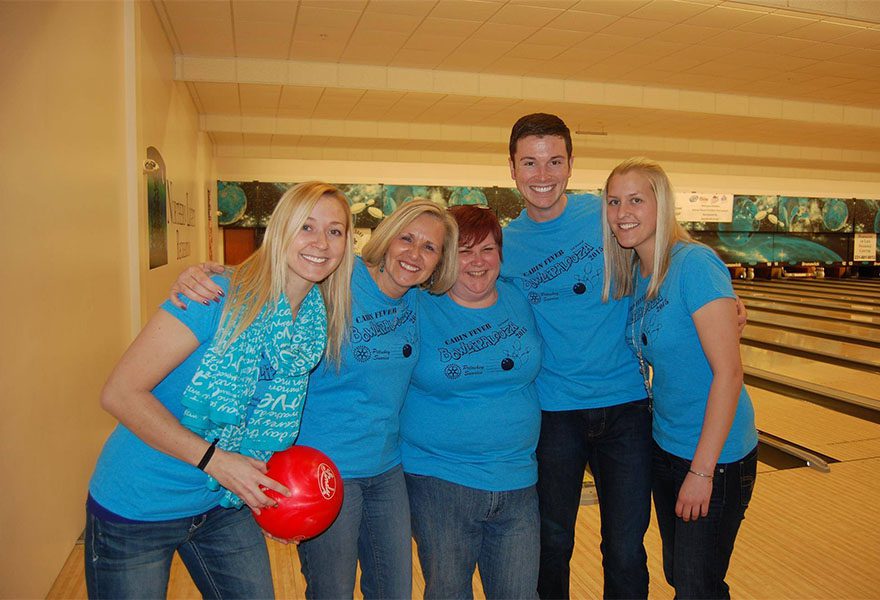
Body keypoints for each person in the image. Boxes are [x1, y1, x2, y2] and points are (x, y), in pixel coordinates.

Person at [170, 199, 459, 599]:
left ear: (440, 260)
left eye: (429, 247)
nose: (414, 254)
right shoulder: (341, 275)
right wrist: (204, 274)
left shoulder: (418, 300)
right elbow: (275, 277)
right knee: (332, 592)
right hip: (322, 469)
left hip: (387, 470)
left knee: (394, 591)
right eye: (405, 238)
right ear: (386, 238)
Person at [86, 181, 354, 599]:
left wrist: (277, 505)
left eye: (335, 231)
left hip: (222, 506)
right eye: (306, 226)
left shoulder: (314, 326)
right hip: (139, 505)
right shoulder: (216, 296)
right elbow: (119, 393)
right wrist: (214, 460)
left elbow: (260, 425)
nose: (321, 242)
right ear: (280, 230)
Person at [501, 113, 653, 599]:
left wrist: (720, 300)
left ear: (570, 165)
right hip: (552, 413)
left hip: (626, 405)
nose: (542, 175)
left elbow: (664, 252)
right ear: (512, 168)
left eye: (553, 162)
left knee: (625, 547)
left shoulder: (604, 215)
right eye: (530, 162)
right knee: (552, 542)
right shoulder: (505, 244)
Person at [602, 157, 758, 599]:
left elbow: (728, 373)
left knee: (696, 586)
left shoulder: (694, 264)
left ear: (662, 205)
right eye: (614, 202)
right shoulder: (635, 272)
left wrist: (702, 472)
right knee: (685, 576)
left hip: (716, 457)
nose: (623, 212)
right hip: (665, 448)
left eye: (636, 200)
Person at [401, 205, 542, 599]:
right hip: (440, 482)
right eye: (464, 251)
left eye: (488, 249)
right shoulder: (417, 304)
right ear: (445, 256)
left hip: (518, 482)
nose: (477, 262)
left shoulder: (519, 297)